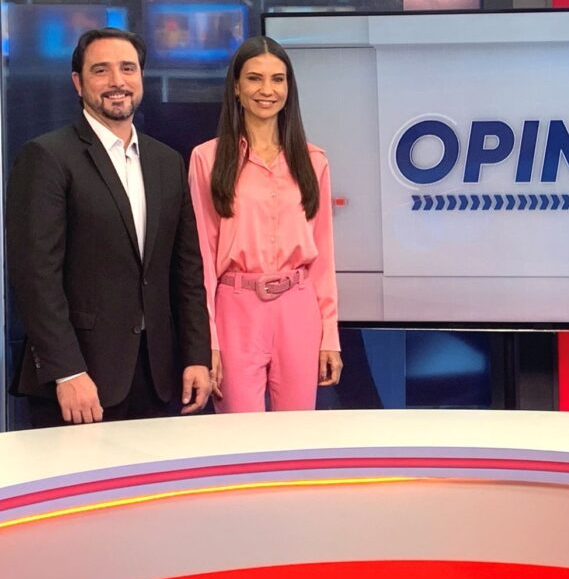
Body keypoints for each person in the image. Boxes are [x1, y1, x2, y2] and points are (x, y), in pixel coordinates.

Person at [6, 27, 212, 427]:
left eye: (127, 68)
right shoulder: (46, 157)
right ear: (78, 83)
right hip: (80, 382)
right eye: (101, 70)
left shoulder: (168, 162)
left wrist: (196, 356)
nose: (117, 81)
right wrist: (67, 371)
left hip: (158, 378)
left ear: (141, 77)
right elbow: (35, 276)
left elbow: (186, 271)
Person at [189, 36, 342, 412]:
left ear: (289, 88)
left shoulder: (314, 160)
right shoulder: (207, 159)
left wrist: (330, 336)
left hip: (299, 308)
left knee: (296, 435)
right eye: (255, 78)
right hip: (235, 309)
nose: (267, 90)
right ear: (236, 88)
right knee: (239, 435)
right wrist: (208, 341)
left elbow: (323, 258)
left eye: (278, 79)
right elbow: (202, 258)